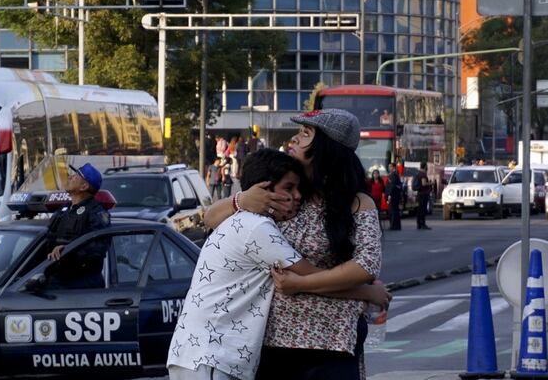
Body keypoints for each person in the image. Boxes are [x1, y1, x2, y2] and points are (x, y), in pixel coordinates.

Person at [167, 149, 389, 380]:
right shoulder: (257, 228)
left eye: (299, 188)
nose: (298, 196)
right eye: (289, 188)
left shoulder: (241, 219)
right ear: (263, 190)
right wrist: (367, 292)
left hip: (208, 354)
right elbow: (310, 275)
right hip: (212, 356)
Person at [44, 162, 110, 288]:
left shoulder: (96, 212)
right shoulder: (64, 210)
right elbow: (46, 239)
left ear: (84, 186)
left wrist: (68, 250)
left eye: (75, 176)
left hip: (81, 285)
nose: (69, 177)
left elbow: (98, 246)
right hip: (57, 277)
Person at [387, 162, 403, 231]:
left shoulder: (393, 174)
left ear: (393, 167)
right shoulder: (395, 174)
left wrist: (389, 195)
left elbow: (392, 186)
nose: (389, 168)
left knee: (392, 211)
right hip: (396, 195)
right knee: (395, 210)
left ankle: (393, 225)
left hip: (393, 195)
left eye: (390, 166)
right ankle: (397, 226)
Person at [415, 162, 431, 230]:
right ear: (425, 167)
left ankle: (419, 224)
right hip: (423, 194)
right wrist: (431, 183)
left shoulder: (418, 173)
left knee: (419, 210)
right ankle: (423, 224)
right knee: (423, 210)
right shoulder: (423, 174)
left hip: (419, 193)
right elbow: (424, 183)